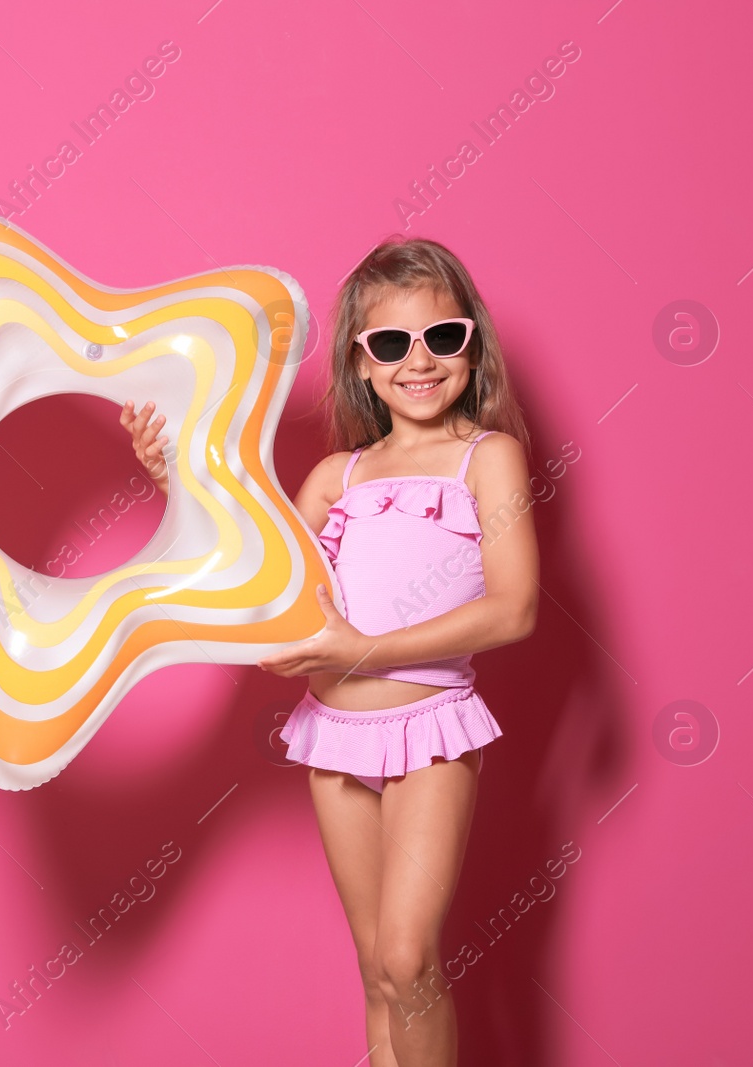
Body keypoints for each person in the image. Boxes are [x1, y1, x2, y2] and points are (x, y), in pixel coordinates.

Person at [119, 236, 538, 1066]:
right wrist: (171, 475)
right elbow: (248, 560)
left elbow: (514, 609)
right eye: (391, 344)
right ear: (361, 362)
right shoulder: (335, 477)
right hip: (335, 736)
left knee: (408, 956)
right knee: (376, 968)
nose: (418, 362)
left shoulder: (486, 458)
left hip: (431, 727)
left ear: (472, 342)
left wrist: (365, 647)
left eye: (440, 338)